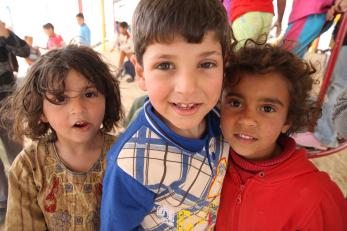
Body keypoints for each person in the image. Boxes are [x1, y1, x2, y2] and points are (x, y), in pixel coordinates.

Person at [100, 0, 232, 229]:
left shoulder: (226, 124)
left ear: (224, 67)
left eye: (207, 64)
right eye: (165, 66)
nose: (187, 87)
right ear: (140, 73)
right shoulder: (132, 163)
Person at [215, 42, 347, 230]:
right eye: (235, 103)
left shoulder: (317, 198)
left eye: (267, 108)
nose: (247, 120)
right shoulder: (204, 162)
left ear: (288, 120)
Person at [0, 45, 123, 230]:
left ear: (107, 98)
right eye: (60, 99)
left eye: (89, 94)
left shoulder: (126, 156)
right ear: (40, 111)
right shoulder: (29, 167)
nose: (79, 109)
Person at [0, 19, 30, 224]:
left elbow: (25, 51)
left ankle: (27, 197)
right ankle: (3, 202)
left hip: (6, 105)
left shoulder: (3, 34)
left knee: (17, 156)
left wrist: (6, 34)